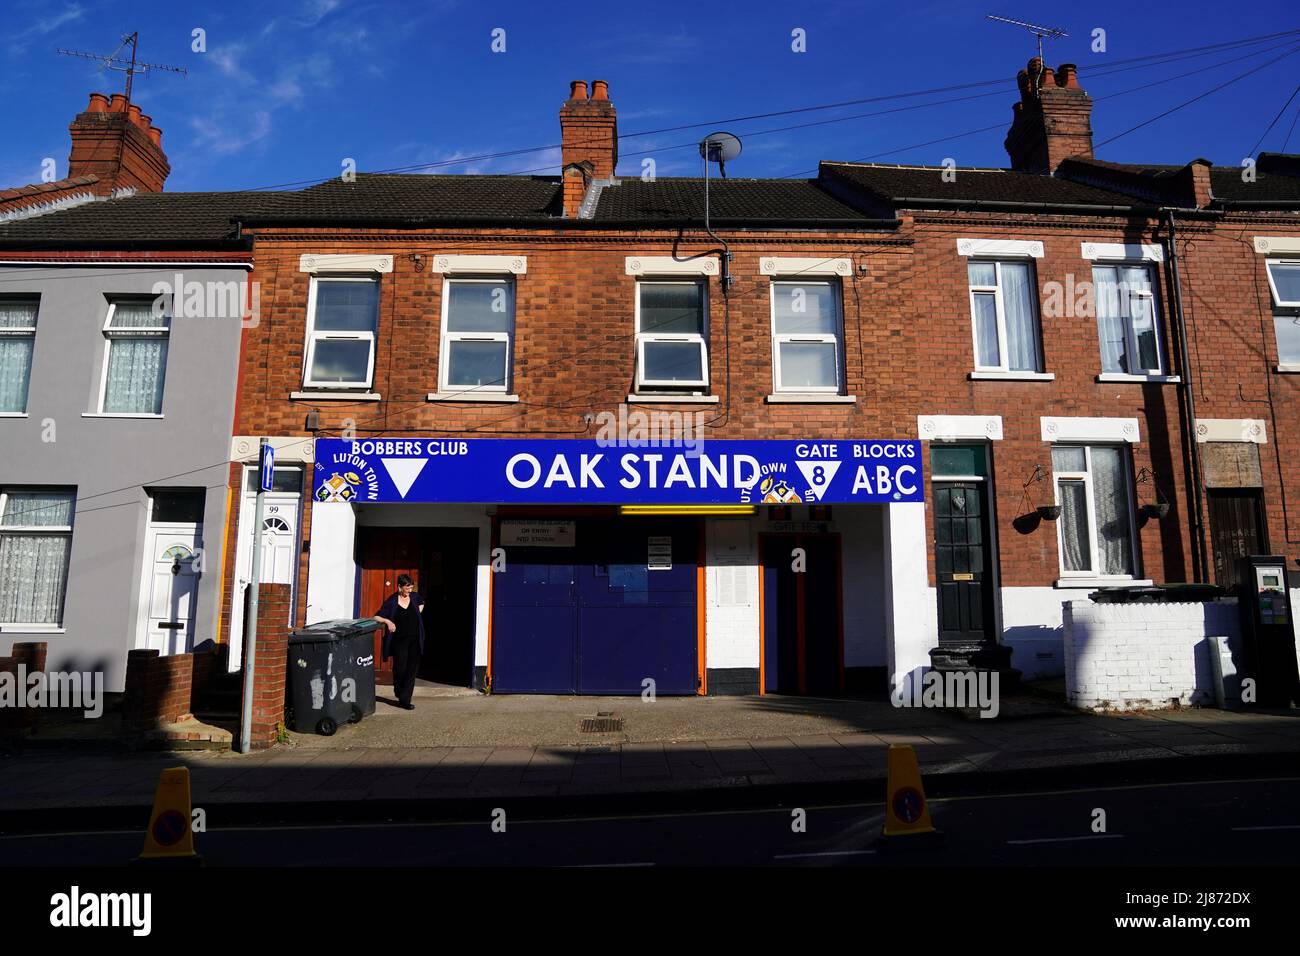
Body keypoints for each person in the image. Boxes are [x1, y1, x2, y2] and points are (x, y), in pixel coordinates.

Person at [374, 574, 425, 710]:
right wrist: (388, 621)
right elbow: (377, 616)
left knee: (412, 670)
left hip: (414, 639)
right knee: (400, 668)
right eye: (407, 587)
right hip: (399, 641)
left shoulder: (414, 597)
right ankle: (398, 689)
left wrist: (419, 612)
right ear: (399, 587)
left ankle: (405, 699)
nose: (409, 590)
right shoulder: (392, 601)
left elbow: (421, 603)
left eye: (411, 587)